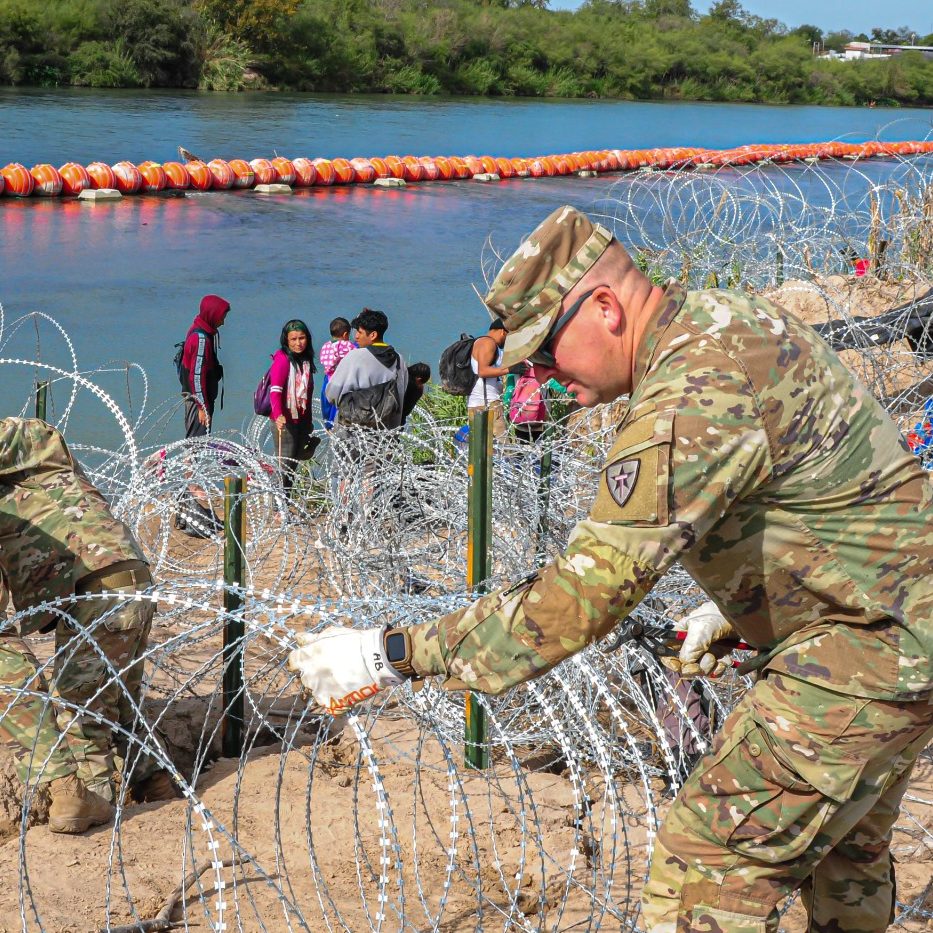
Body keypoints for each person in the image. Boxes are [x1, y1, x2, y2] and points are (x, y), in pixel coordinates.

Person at [289, 205, 933, 933]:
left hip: (862, 652)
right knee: (843, 858)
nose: (542, 376)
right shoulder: (726, 320)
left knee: (702, 870)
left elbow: (578, 599)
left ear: (604, 308)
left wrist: (391, 652)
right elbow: (842, 495)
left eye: (544, 354)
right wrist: (744, 606)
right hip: (898, 630)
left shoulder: (684, 395)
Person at [0, 418, 176, 835]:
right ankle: (158, 782)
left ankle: (99, 815)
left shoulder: (32, 448)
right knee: (121, 701)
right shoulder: (42, 478)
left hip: (95, 588)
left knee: (82, 713)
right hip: (129, 577)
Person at [176, 293, 230, 537]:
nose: (223, 321)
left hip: (200, 401)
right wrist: (201, 406)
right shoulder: (201, 339)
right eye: (222, 316)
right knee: (194, 452)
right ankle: (190, 511)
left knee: (194, 450)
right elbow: (196, 375)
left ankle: (185, 510)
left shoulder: (202, 330)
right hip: (199, 403)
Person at [325, 308, 408, 430]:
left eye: (359, 332)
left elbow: (332, 393)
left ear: (373, 335)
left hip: (354, 434)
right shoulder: (399, 360)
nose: (356, 337)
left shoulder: (355, 357)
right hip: (387, 432)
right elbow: (402, 394)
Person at [269, 319, 319, 495]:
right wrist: (278, 415)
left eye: (302, 338)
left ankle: (285, 500)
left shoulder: (305, 361)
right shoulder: (282, 359)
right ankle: (277, 505)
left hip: (301, 419)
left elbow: (308, 394)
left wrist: (309, 421)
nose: (298, 343)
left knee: (293, 465)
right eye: (293, 339)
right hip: (285, 421)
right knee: (284, 465)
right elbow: (275, 391)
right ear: (286, 341)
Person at [467, 319, 509, 437]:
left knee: (482, 448)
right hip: (487, 404)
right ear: (503, 332)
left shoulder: (479, 342)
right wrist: (510, 369)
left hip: (478, 403)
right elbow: (483, 371)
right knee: (504, 448)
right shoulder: (488, 343)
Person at [319, 317, 354, 430]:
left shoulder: (326, 346)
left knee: (328, 403)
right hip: (343, 380)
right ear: (345, 334)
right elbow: (355, 356)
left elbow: (323, 361)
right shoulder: (347, 345)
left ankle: (329, 424)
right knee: (339, 405)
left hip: (329, 378)